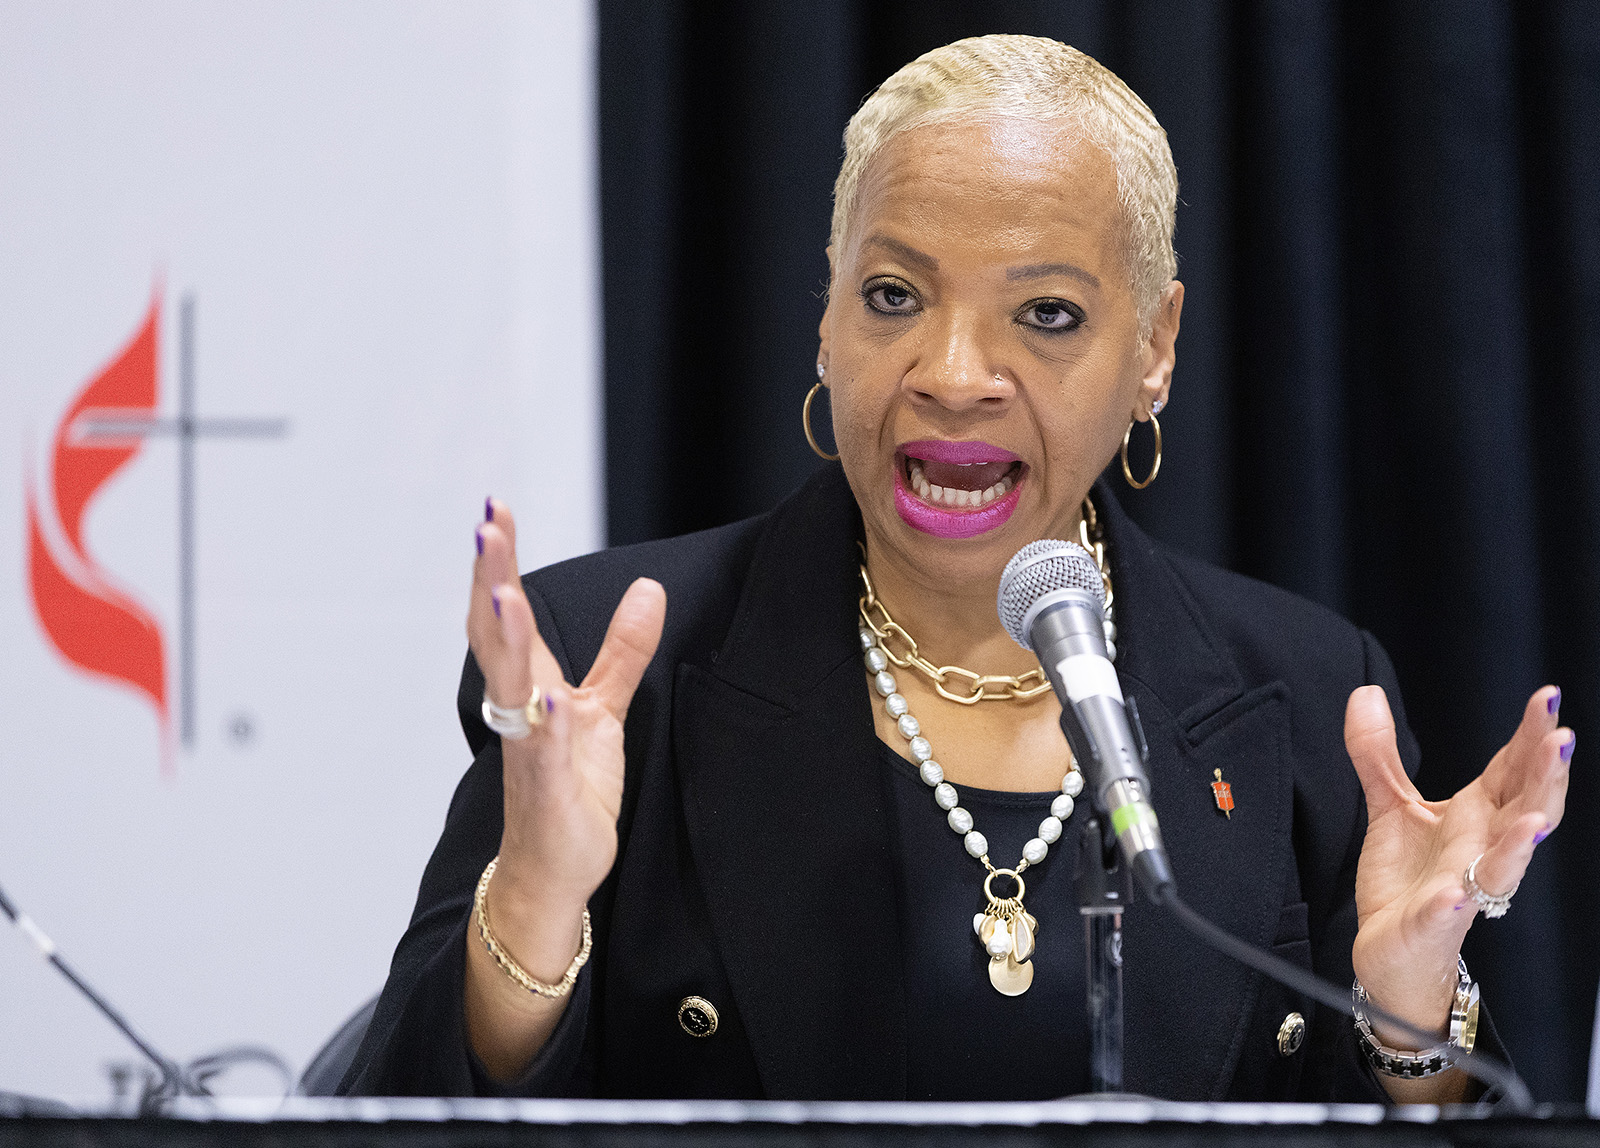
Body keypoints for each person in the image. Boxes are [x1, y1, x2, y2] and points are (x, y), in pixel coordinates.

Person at [341, 35, 1572, 1102]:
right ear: (825, 319)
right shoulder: (618, 660)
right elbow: (397, 1109)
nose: (953, 371)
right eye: (892, 294)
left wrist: (1412, 1008)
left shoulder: (1305, 695)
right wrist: (534, 910)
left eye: (1045, 314)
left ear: (1155, 347)